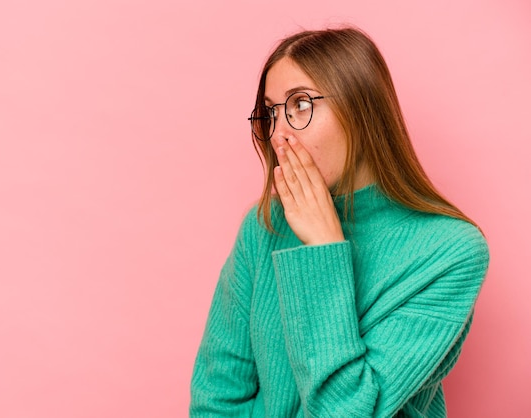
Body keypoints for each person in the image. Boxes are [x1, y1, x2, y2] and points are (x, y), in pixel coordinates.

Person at [189, 27, 489, 417]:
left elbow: (345, 410)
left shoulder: (451, 252)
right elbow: (215, 399)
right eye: (270, 112)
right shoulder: (262, 226)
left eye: (300, 104)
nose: (278, 135)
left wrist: (324, 250)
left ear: (360, 110)